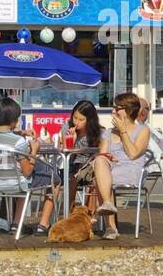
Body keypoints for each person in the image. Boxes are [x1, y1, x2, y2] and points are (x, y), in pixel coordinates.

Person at [0, 97, 58, 233]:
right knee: (55, 179)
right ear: (13, 120)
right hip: (17, 184)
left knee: (19, 177)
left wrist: (21, 132)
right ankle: (43, 224)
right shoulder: (19, 142)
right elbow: (27, 171)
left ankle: (16, 224)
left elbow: (3, 135)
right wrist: (33, 151)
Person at [92, 92, 152, 239]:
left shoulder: (143, 130)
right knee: (99, 162)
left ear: (128, 110)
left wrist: (123, 131)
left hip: (131, 169)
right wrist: (108, 157)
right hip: (111, 169)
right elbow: (102, 155)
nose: (112, 111)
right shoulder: (108, 132)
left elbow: (133, 154)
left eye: (116, 108)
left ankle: (111, 227)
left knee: (100, 180)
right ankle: (107, 204)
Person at [63, 99, 103, 214]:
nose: (77, 122)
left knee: (95, 180)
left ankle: (89, 214)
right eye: (75, 118)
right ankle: (69, 212)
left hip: (91, 165)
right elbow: (66, 153)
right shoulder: (66, 129)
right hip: (73, 163)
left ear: (90, 120)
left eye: (81, 119)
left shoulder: (97, 132)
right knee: (72, 179)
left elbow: (100, 153)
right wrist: (71, 140)